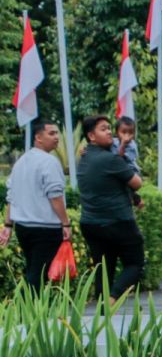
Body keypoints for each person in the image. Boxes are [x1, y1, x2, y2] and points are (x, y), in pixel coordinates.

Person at [77, 115, 145, 302]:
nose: (109, 132)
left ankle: (101, 311)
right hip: (118, 221)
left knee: (103, 270)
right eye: (103, 129)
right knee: (135, 264)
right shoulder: (111, 160)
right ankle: (113, 298)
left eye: (109, 128)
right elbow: (137, 183)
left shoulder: (83, 159)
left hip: (90, 223)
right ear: (91, 136)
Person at [0, 119, 71, 290]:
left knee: (33, 270)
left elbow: (11, 196)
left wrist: (8, 225)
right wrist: (66, 223)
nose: (56, 137)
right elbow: (55, 196)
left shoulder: (21, 162)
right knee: (38, 275)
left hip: (23, 228)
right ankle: (25, 313)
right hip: (45, 228)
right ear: (38, 137)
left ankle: (31, 312)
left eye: (57, 133)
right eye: (51, 133)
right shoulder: (49, 162)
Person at [112, 116, 144, 209]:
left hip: (131, 171)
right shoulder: (113, 141)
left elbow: (120, 158)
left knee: (126, 189)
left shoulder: (132, 145)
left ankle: (134, 198)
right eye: (124, 132)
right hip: (119, 171)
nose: (127, 136)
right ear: (117, 133)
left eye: (130, 133)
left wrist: (123, 144)